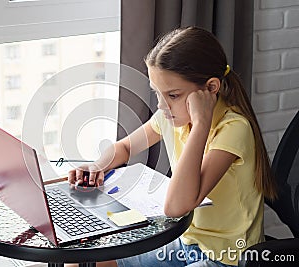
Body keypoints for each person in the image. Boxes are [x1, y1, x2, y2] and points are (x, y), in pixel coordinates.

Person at [67, 26, 277, 267]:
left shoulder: (233, 129)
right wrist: (97, 166)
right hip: (185, 242)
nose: (162, 106)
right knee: (78, 263)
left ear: (210, 88)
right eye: (157, 93)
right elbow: (125, 147)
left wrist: (200, 124)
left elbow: (177, 207)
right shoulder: (171, 115)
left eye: (173, 95)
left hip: (226, 256)